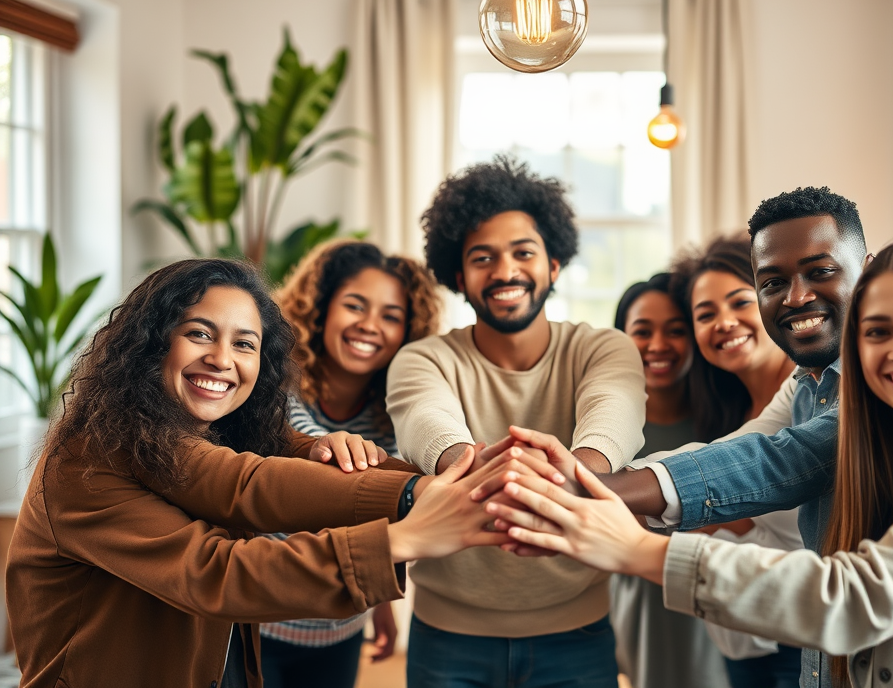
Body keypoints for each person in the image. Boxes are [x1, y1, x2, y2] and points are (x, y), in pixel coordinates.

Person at [491, 235, 893, 688]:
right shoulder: (869, 426)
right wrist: (579, 484)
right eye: (878, 331)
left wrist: (635, 546)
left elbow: (853, 596)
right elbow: (750, 453)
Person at [5, 258, 559, 688]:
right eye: (199, 333)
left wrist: (445, 485)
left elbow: (284, 468)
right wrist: (408, 528)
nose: (223, 359)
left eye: (244, 344)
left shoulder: (224, 430)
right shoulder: (87, 459)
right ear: (151, 343)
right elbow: (220, 566)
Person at [498, 186, 870, 688]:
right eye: (773, 282)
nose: (797, 296)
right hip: (803, 650)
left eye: (820, 271)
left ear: (867, 270)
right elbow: (736, 450)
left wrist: (586, 491)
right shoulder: (803, 384)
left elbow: (776, 461)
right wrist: (576, 487)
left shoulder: (876, 388)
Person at [386, 155, 647, 687]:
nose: (505, 271)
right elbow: (425, 423)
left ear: (554, 265)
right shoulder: (423, 358)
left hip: (577, 632)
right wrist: (502, 471)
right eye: (483, 258)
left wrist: (575, 470)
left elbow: (614, 415)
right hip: (447, 636)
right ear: (458, 277)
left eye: (523, 252)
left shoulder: (603, 347)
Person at [259, 241, 441, 688]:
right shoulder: (273, 380)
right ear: (321, 310)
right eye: (355, 306)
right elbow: (303, 443)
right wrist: (331, 445)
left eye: (391, 316)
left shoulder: (396, 409)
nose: (370, 325)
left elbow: (373, 514)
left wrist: (382, 604)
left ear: (408, 331)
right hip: (256, 623)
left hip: (341, 626)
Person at [673, 235, 801, 687]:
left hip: (802, 641)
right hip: (741, 642)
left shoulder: (811, 394)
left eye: (740, 302)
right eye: (705, 314)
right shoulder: (725, 413)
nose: (724, 323)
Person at [608, 272, 731, 688]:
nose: (658, 345)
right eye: (642, 331)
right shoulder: (604, 436)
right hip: (635, 607)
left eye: (675, 330)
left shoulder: (726, 423)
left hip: (714, 598)